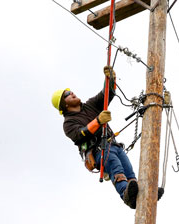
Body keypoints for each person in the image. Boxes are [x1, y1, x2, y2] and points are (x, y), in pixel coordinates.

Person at [51, 66, 141, 209]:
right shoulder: (68, 123)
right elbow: (81, 133)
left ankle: (143, 197)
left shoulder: (90, 105)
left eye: (71, 91)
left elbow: (107, 94)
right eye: (67, 94)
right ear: (64, 104)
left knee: (130, 173)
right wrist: (98, 121)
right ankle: (126, 195)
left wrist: (110, 79)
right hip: (99, 151)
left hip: (114, 146)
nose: (72, 93)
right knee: (117, 170)